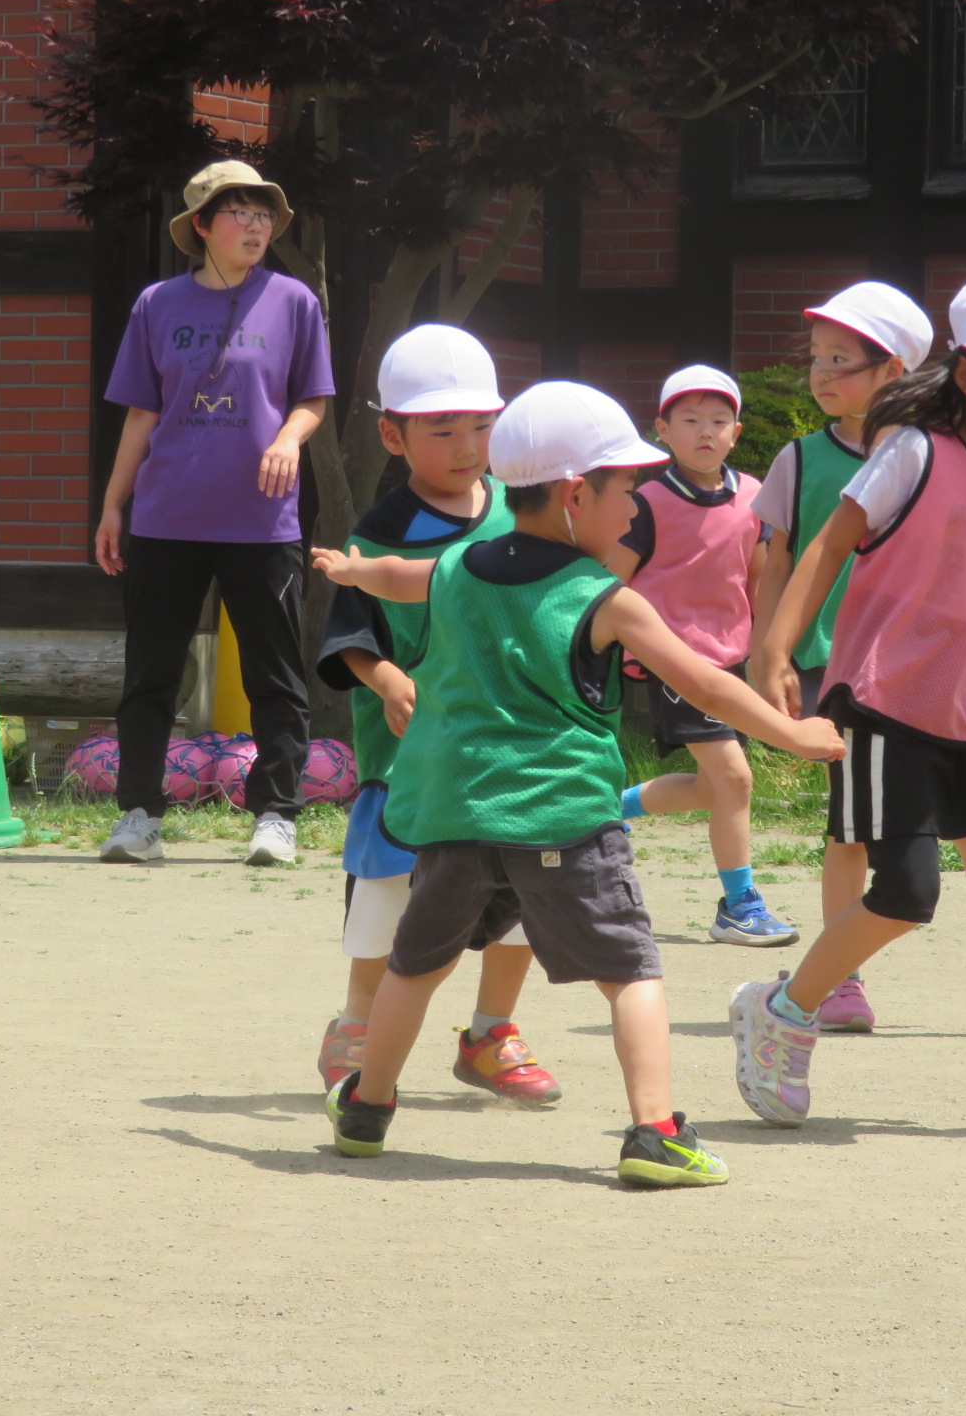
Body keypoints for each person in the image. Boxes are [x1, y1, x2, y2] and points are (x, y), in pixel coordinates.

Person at [311, 381, 844, 1188]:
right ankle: (655, 1134)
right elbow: (705, 683)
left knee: (414, 968)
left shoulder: (456, 568)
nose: (634, 508)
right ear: (573, 495)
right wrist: (795, 735)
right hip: (561, 819)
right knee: (630, 973)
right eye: (625, 489)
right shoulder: (604, 597)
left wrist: (352, 568)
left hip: (455, 814)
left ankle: (366, 1109)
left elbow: (395, 575)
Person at [733, 273, 966, 1135]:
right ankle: (780, 1012)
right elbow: (831, 542)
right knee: (905, 894)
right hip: (886, 706)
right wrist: (773, 649)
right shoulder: (914, 452)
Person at [314, 325, 560, 1103]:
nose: (467, 447)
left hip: (511, 749)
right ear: (394, 435)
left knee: (525, 886)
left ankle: (491, 1032)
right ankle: (358, 1025)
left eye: (482, 427)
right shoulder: (378, 534)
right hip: (411, 757)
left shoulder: (522, 512)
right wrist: (387, 678)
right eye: (443, 431)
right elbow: (351, 638)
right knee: (388, 886)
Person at [95, 160, 333, 867]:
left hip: (262, 523)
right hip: (165, 517)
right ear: (202, 226)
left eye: (264, 215)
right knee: (151, 675)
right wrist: (112, 505)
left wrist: (288, 439)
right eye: (240, 213)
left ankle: (275, 815)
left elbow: (313, 398)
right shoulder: (157, 304)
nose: (257, 226)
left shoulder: (294, 301)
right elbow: (142, 413)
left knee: (275, 677)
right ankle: (139, 815)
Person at [609, 366, 797, 946]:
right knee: (735, 777)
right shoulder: (646, 502)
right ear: (663, 430)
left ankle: (603, 809)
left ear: (736, 434)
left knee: (712, 788)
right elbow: (610, 583)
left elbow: (759, 579)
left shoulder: (753, 496)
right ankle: (739, 906)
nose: (705, 431)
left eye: (718, 421)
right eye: (690, 420)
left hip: (730, 660)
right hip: (674, 661)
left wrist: (769, 655)